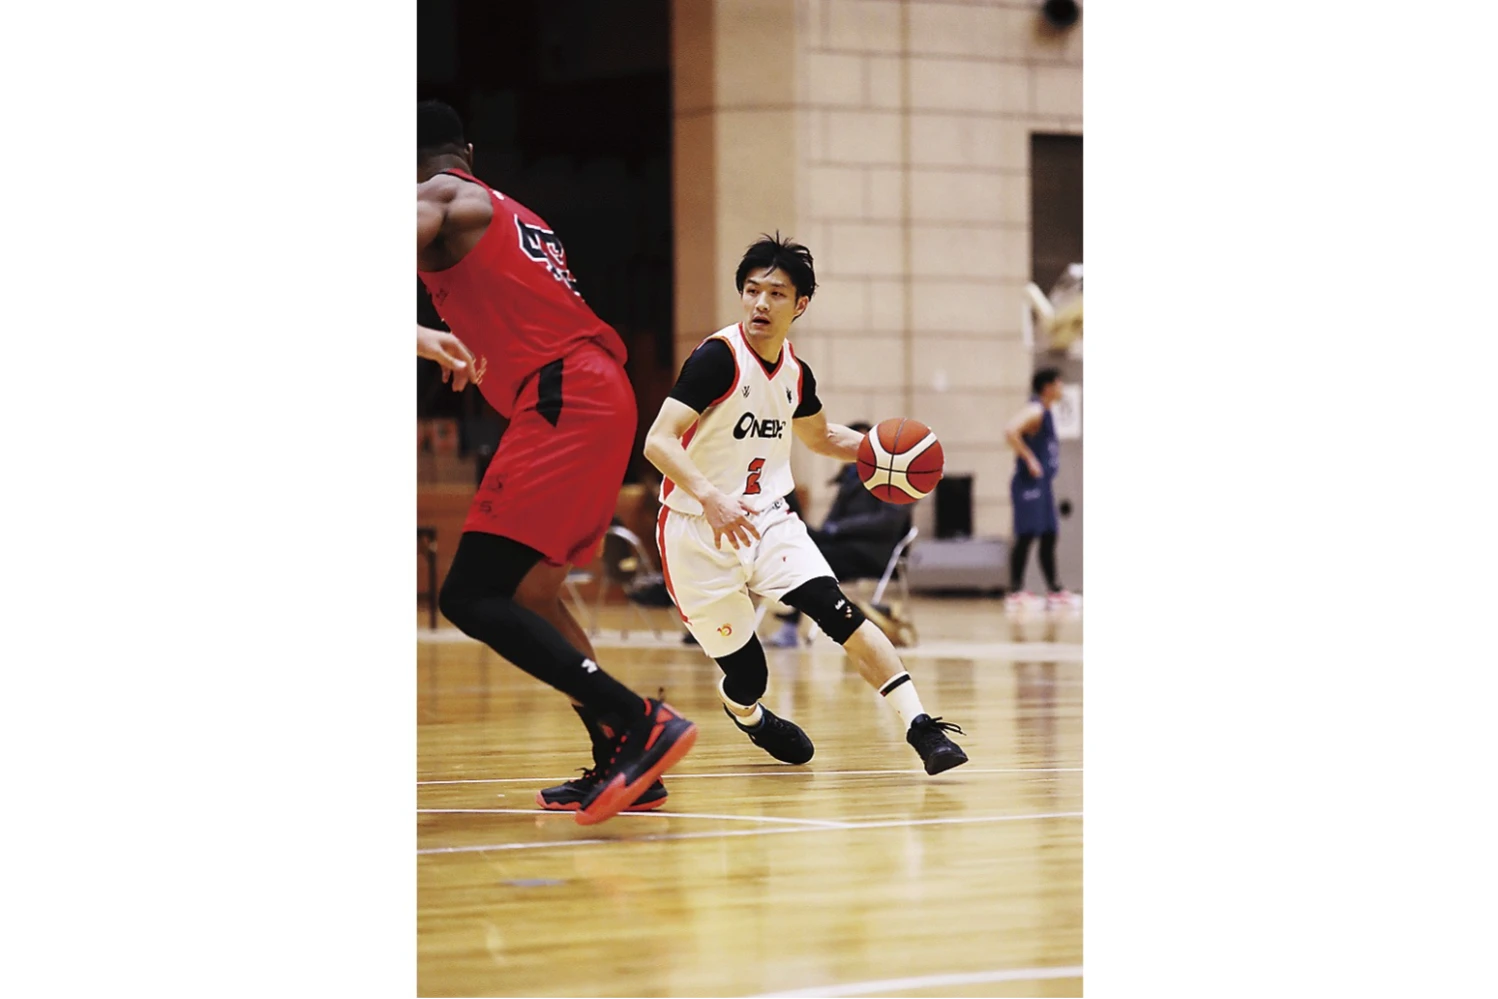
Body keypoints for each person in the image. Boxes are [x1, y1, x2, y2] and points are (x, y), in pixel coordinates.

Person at [416, 100, 696, 825]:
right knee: (534, 594)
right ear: (469, 150)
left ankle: (638, 720)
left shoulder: (439, 195)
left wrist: (418, 335)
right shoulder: (511, 211)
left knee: (471, 595)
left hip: (564, 394)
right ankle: (626, 760)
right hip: (591, 390)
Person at [642, 234, 968, 775]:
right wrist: (711, 497)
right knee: (749, 676)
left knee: (837, 610)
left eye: (776, 293)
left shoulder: (796, 372)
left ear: (800, 304)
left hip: (768, 520)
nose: (760, 303)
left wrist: (887, 453)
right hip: (697, 528)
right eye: (752, 291)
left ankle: (921, 727)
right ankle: (748, 714)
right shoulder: (718, 360)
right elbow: (658, 440)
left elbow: (820, 437)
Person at [765, 425, 912, 648]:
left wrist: (838, 529)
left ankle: (791, 624)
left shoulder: (894, 479)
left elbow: (887, 523)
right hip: (843, 545)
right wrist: (823, 531)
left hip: (873, 552)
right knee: (800, 541)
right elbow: (831, 521)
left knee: (811, 559)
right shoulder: (849, 478)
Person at [1004, 368, 1072, 608]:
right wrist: (1030, 459)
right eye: (1059, 383)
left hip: (1043, 485)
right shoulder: (1035, 410)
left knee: (1049, 534)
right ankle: (1015, 591)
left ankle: (1054, 590)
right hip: (1027, 484)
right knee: (1026, 535)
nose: (1062, 388)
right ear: (1048, 387)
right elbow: (1010, 430)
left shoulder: (1046, 411)